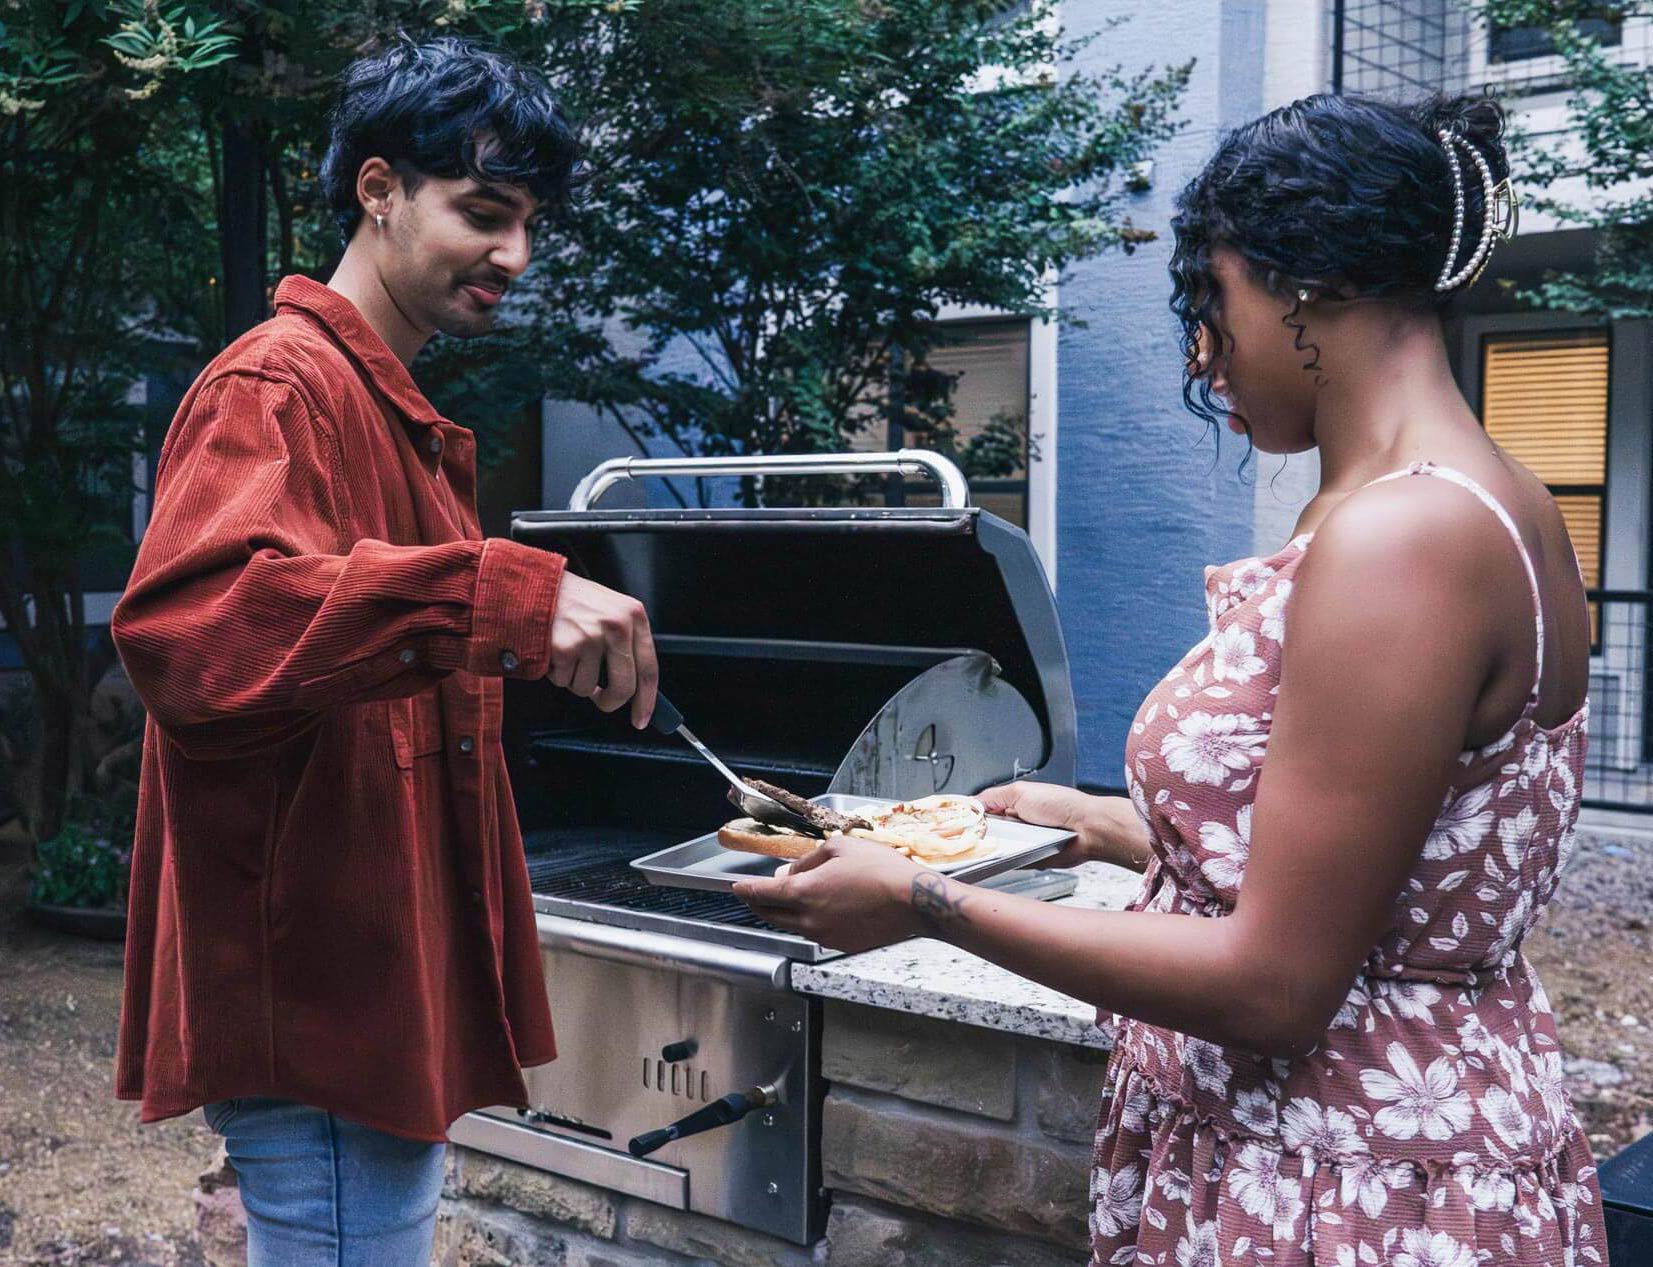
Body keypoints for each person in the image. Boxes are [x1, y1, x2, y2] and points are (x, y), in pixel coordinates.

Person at [736, 92, 1607, 1266]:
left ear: (1300, 280)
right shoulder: (1491, 499)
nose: (1203, 352)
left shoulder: (1405, 537)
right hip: (1369, 1141)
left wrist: (919, 900)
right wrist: (1108, 826)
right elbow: (1395, 879)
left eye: (1212, 299)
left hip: (1345, 1183)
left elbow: (1278, 982)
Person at [109, 36, 658, 1267]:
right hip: (320, 998)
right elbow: (190, 638)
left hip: (369, 978)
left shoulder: (386, 408)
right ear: (376, 190)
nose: (514, 256)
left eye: (528, 225)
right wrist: (486, 592)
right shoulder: (277, 386)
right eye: (482, 212)